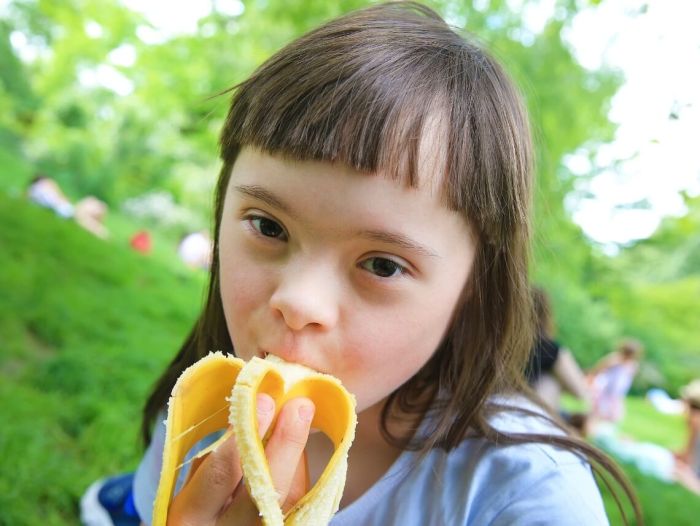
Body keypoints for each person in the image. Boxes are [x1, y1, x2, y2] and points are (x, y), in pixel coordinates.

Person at [81, 3, 640, 524]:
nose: (298, 302)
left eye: (382, 264)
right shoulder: (203, 411)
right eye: (269, 227)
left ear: (473, 287)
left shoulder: (526, 497)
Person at [525, 287, 590, 412]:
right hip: (524, 412)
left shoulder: (493, 340)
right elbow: (580, 391)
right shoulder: (546, 347)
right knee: (550, 381)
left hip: (489, 407)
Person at [588, 338, 643, 423]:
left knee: (613, 416)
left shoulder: (632, 365)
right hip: (605, 390)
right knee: (598, 412)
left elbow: (628, 378)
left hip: (617, 394)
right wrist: (592, 381)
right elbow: (598, 369)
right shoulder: (614, 359)